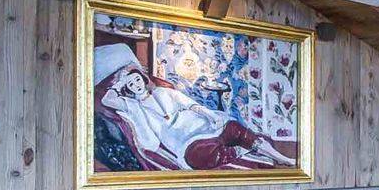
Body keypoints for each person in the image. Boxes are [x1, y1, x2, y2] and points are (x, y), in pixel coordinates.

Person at [92, 43, 296, 172]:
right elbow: (108, 99)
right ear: (127, 88)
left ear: (143, 79)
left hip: (198, 123)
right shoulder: (132, 106)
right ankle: (241, 150)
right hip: (182, 139)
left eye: (137, 79)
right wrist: (121, 80)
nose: (136, 84)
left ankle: (281, 158)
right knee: (199, 157)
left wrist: (210, 115)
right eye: (131, 84)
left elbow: (191, 104)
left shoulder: (163, 92)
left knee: (235, 129)